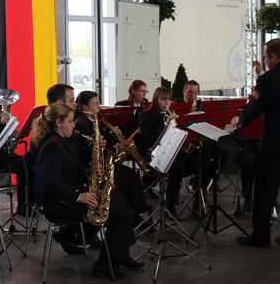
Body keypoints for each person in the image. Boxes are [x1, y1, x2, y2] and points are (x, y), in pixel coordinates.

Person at [33, 103, 142, 279]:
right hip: (63, 203)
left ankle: (119, 256)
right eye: (70, 121)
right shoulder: (53, 145)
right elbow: (51, 182)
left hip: (71, 194)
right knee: (123, 212)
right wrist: (79, 197)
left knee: (121, 202)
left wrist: (91, 170)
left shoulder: (62, 140)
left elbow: (69, 170)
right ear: (59, 123)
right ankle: (105, 263)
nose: (74, 124)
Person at [234, 38, 280, 249]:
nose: (265, 60)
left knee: (266, 190)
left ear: (273, 57)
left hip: (275, 144)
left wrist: (239, 121)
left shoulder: (269, 79)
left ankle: (261, 236)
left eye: (266, 56)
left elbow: (256, 106)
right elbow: (279, 95)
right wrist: (261, 76)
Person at [74, 91, 148, 226]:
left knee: (131, 175)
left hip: (102, 162)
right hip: (94, 168)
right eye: (95, 104)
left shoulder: (92, 119)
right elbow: (89, 151)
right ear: (85, 107)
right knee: (126, 178)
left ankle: (134, 214)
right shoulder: (81, 123)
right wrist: (116, 149)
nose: (99, 107)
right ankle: (123, 215)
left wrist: (113, 134)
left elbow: (103, 141)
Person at [137, 86, 208, 217]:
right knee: (177, 166)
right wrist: (166, 125)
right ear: (156, 99)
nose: (167, 103)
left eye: (169, 100)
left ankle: (198, 203)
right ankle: (170, 204)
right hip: (154, 154)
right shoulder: (145, 115)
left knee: (201, 164)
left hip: (172, 151)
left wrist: (181, 125)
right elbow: (150, 139)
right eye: (163, 99)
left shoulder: (170, 114)